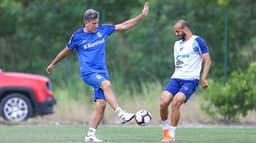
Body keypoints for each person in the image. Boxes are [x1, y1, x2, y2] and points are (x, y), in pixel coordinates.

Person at [46, 2, 149, 142]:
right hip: (88, 73)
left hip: (102, 72)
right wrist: (53, 63)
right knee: (106, 84)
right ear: (86, 23)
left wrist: (141, 16)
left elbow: (124, 25)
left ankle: (90, 135)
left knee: (101, 104)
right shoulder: (77, 36)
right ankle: (121, 113)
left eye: (97, 22)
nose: (96, 25)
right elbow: (66, 51)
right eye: (93, 23)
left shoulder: (103, 30)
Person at [160, 20, 211, 142]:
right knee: (163, 102)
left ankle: (171, 136)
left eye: (178, 31)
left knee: (176, 101)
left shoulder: (197, 41)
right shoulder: (177, 44)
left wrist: (203, 78)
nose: (176, 34)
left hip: (191, 80)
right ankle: (165, 132)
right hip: (176, 78)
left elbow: (207, 60)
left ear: (185, 29)